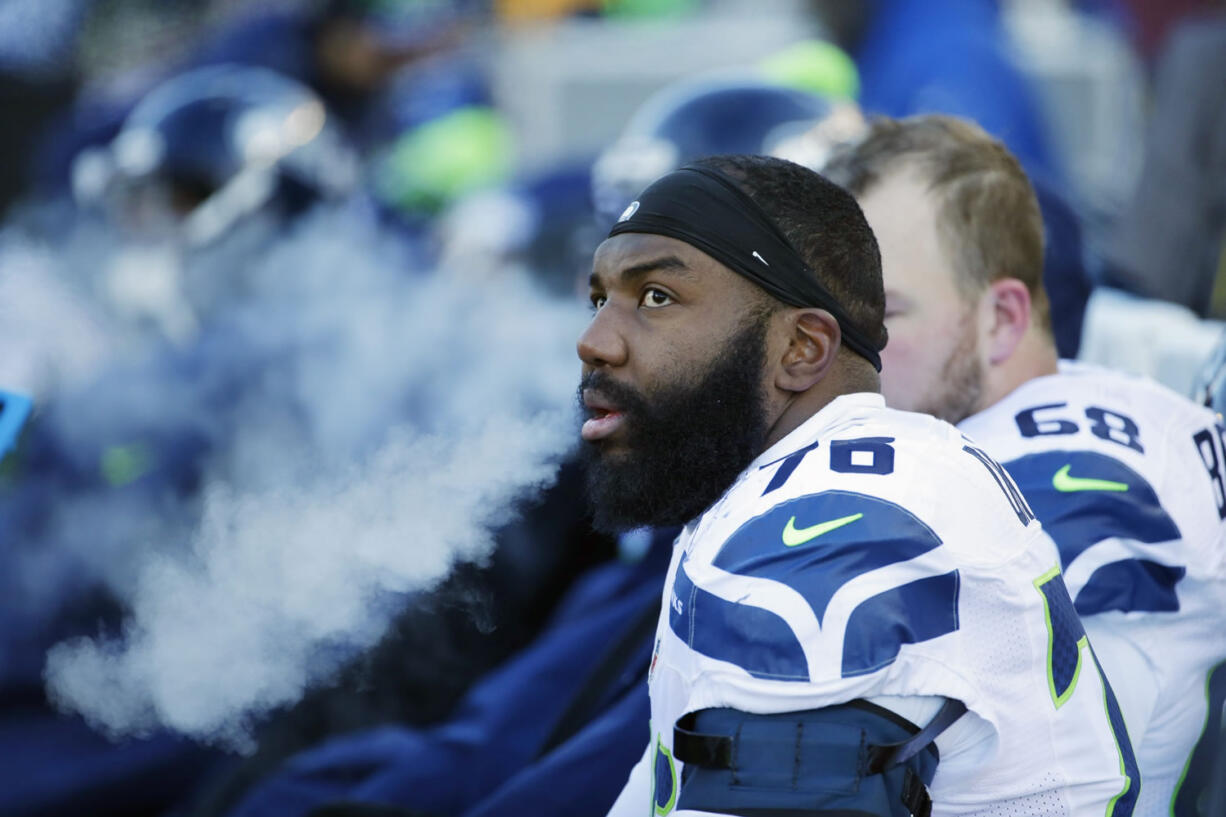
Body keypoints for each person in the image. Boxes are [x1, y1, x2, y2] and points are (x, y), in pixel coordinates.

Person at [585, 153, 1135, 816]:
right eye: (599, 299)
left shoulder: (819, 531)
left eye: (656, 297)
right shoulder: (846, 472)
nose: (595, 341)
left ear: (802, 348)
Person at [823, 114, 1226, 815]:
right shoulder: (1121, 410)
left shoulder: (1042, 483)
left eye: (880, 318)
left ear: (1002, 319)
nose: (833, 359)